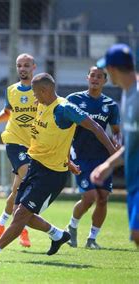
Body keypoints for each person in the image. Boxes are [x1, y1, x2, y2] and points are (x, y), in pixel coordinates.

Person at [0, 73, 117, 262]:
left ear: (45, 90)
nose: (33, 96)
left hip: (51, 174)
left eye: (34, 92)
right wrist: (68, 160)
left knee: (21, 215)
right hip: (35, 167)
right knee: (20, 213)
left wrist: (112, 151)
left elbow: (96, 127)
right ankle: (58, 235)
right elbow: (56, 137)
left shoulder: (65, 109)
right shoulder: (42, 105)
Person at [64, 66, 121, 249]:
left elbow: (116, 131)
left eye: (100, 77)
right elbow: (63, 126)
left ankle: (92, 239)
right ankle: (72, 226)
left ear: (105, 80)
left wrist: (117, 143)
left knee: (103, 197)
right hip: (80, 155)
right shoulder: (74, 100)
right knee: (89, 197)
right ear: (87, 77)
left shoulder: (110, 105)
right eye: (92, 75)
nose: (95, 79)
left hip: (102, 158)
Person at [0, 53, 37, 247]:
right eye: (19, 65)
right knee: (26, 180)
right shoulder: (11, 91)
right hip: (14, 141)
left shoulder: (42, 89)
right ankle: (21, 228)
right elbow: (8, 112)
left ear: (34, 67)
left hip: (35, 145)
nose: (22, 68)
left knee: (17, 190)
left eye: (26, 65)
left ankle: (2, 221)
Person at [92, 43, 139, 247]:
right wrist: (108, 165)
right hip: (134, 183)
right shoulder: (126, 94)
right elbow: (131, 144)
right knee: (136, 235)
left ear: (112, 69)